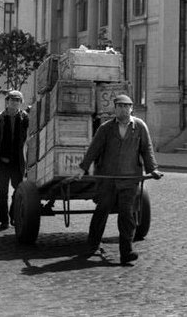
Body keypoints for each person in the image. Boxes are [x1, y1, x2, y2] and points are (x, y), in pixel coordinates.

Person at [71, 94, 162, 266]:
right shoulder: (106, 128)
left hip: (129, 179)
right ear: (115, 108)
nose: (123, 109)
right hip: (108, 179)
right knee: (102, 210)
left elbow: (147, 149)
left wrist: (153, 169)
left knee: (127, 214)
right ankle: (93, 244)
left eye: (126, 106)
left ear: (131, 108)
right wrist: (82, 168)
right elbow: (94, 149)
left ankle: (126, 252)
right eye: (119, 106)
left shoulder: (140, 127)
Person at [0, 89, 29, 230]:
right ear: (7, 101)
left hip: (18, 161)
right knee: (2, 192)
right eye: (12, 100)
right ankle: (3, 219)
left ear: (21, 103)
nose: (14, 103)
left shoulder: (25, 118)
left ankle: (14, 214)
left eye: (17, 100)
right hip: (3, 161)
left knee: (18, 191)